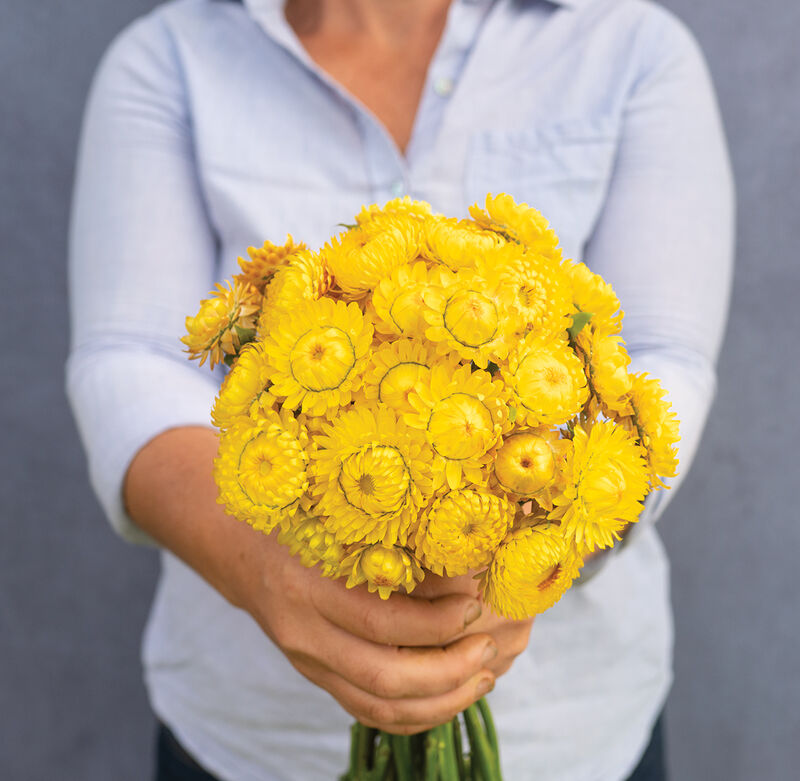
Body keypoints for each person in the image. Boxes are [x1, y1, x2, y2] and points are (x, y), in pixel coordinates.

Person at [66, 0, 734, 778]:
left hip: (572, 734)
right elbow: (128, 360)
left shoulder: (631, 46)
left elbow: (662, 362)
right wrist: (257, 566)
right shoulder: (169, 59)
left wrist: (524, 551)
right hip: (252, 740)